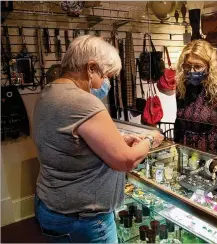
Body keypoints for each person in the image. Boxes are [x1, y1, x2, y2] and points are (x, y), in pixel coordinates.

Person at [33, 35, 164, 243]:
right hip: (84, 220)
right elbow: (126, 161)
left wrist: (119, 140)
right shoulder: (83, 102)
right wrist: (150, 139)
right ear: (91, 68)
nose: (106, 83)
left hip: (52, 205)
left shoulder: (49, 92)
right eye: (106, 76)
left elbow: (74, 143)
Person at [174, 39, 217, 155]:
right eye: (187, 66)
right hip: (185, 153)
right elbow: (179, 124)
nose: (192, 71)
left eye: (198, 66)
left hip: (211, 154)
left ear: (210, 66)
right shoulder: (183, 88)